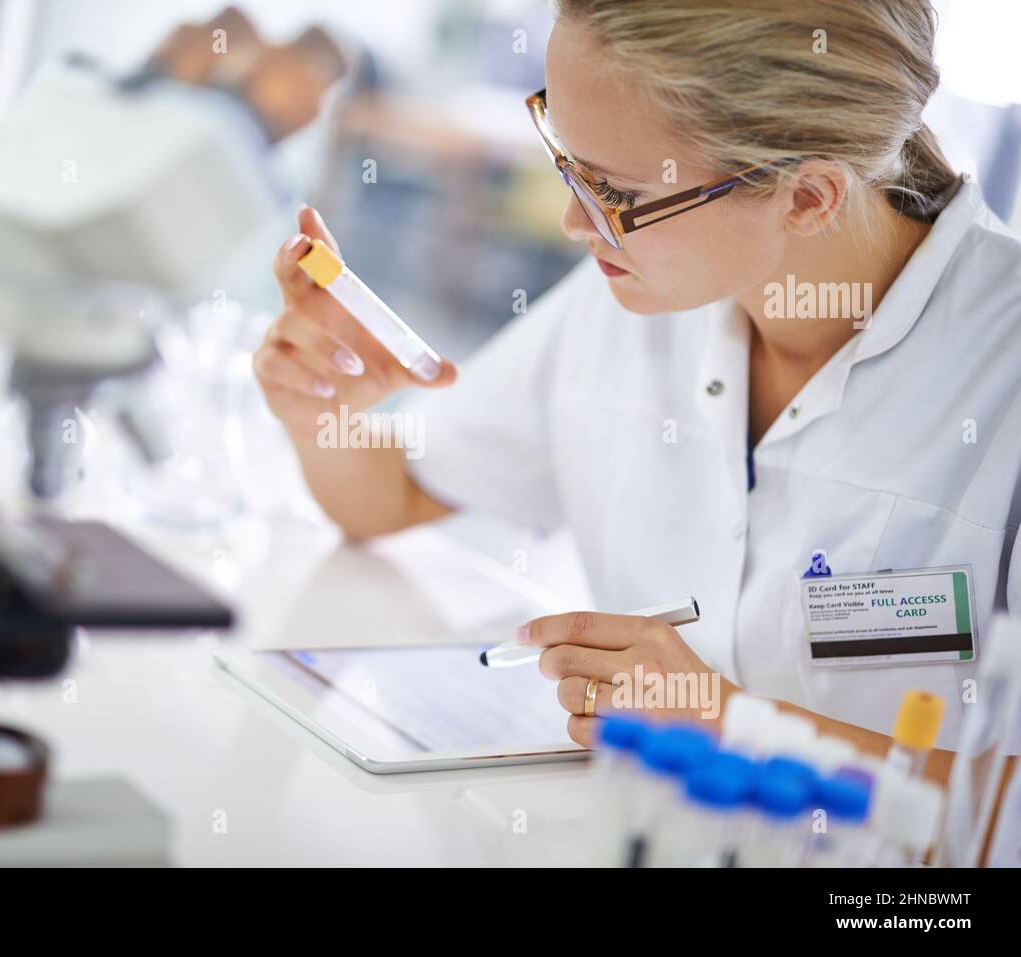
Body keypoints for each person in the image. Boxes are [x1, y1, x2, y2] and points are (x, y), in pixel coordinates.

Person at [252, 0, 1021, 785]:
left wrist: (733, 722)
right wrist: (326, 409)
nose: (573, 221)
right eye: (567, 161)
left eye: (613, 192)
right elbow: (390, 495)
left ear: (809, 197)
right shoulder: (639, 294)